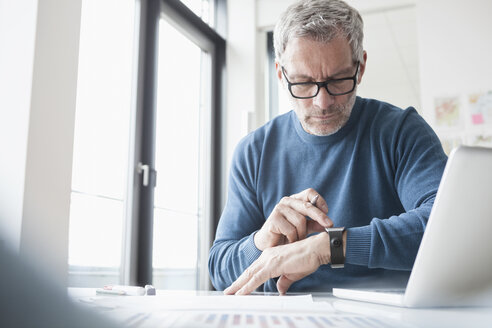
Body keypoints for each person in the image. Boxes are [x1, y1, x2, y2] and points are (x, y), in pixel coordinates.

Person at [208, 0, 447, 295]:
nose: (322, 103)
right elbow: (220, 269)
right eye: (304, 83)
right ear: (281, 74)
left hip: (385, 315)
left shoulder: (401, 131)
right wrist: (261, 240)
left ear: (360, 68)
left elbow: (445, 226)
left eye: (337, 80)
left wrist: (330, 246)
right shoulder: (253, 152)